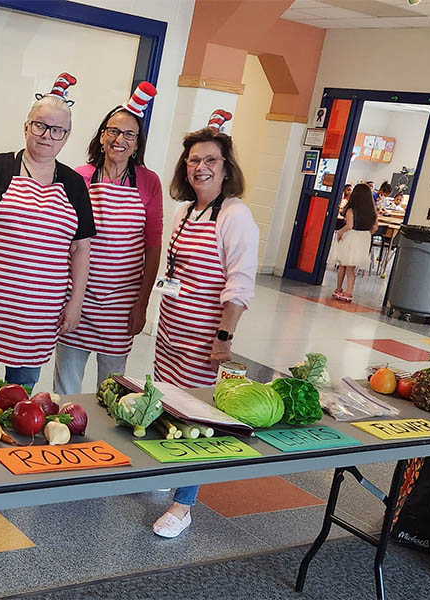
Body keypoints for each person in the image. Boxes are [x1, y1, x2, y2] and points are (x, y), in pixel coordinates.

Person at [0, 73, 96, 398]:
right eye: (40, 125)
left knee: (21, 393)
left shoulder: (74, 184)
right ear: (26, 126)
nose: (47, 136)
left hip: (39, 312)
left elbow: (81, 249)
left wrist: (75, 303)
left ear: (67, 136)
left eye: (57, 130)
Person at [152, 110, 259, 538]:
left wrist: (223, 338)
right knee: (167, 404)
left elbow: (240, 284)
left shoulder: (235, 216)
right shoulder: (183, 211)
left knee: (198, 415)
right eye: (194, 160)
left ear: (226, 167)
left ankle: (184, 503)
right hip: (171, 329)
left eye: (210, 160)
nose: (201, 167)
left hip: (204, 336)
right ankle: (169, 471)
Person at [54, 83, 163, 394]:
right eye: (113, 131)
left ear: (137, 143)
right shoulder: (78, 177)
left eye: (129, 134)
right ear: (101, 137)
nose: (120, 140)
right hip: (78, 297)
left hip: (122, 302)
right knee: (66, 386)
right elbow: (63, 241)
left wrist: (142, 303)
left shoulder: (148, 182)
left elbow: (152, 247)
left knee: (113, 388)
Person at [329, 183, 379, 302]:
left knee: (343, 265)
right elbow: (375, 227)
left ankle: (339, 289)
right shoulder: (372, 211)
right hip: (363, 238)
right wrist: (367, 234)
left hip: (351, 237)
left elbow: (349, 225)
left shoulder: (351, 210)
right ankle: (349, 292)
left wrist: (340, 232)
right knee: (352, 268)